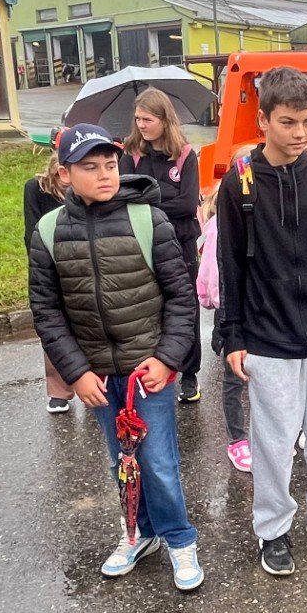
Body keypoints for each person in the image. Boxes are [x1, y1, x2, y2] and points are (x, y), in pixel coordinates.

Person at [28, 124, 203, 591]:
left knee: (158, 460)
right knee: (121, 462)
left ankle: (180, 538)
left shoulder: (149, 220)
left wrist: (167, 359)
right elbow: (46, 311)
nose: (105, 174)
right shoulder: (48, 231)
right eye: (90, 167)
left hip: (148, 369)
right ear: (65, 174)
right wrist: (77, 373)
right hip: (99, 377)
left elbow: (181, 299)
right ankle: (139, 532)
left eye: (110, 164)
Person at [217, 66, 307, 576]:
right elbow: (230, 265)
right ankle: (273, 529)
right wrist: (231, 336)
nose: (300, 133)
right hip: (267, 336)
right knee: (272, 445)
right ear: (263, 121)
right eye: (287, 122)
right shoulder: (239, 186)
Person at [121, 88, 203, 404]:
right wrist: (161, 197)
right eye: (138, 118)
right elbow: (126, 198)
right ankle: (155, 369)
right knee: (149, 310)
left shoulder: (184, 155)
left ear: (163, 119)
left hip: (180, 246)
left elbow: (186, 204)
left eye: (148, 119)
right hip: (142, 245)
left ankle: (190, 374)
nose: (141, 125)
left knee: (185, 310)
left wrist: (151, 198)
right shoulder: (130, 154)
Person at [195, 190, 252, 472]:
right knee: (234, 379)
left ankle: (262, 436)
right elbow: (211, 273)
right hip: (234, 312)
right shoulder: (220, 226)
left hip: (260, 310)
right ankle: (237, 439)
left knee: (262, 378)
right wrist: (214, 301)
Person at [23, 150, 72, 415]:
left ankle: (95, 383)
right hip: (49, 263)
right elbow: (31, 229)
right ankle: (58, 391)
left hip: (78, 264)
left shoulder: (82, 187)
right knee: (53, 329)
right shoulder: (35, 188)